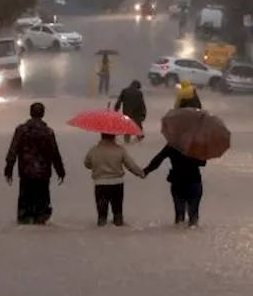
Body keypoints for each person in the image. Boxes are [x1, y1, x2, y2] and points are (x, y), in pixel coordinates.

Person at [143, 94, 207, 227]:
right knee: (193, 218)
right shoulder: (196, 143)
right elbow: (203, 162)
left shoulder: (173, 144)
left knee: (179, 217)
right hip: (194, 181)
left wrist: (145, 171)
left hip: (177, 182)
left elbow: (158, 159)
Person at [4, 102, 66, 225]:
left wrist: (8, 169)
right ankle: (40, 218)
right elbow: (54, 153)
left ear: (30, 113)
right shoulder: (48, 132)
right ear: (43, 114)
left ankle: (25, 218)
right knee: (42, 200)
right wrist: (60, 171)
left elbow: (13, 150)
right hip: (43, 173)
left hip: (25, 171)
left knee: (25, 199)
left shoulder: (21, 130)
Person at [83, 133, 145, 226]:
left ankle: (101, 236)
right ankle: (118, 232)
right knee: (118, 214)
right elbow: (130, 165)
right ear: (114, 136)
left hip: (100, 185)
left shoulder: (93, 150)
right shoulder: (120, 150)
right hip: (117, 185)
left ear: (101, 136)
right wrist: (141, 173)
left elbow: (87, 164)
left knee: (102, 216)